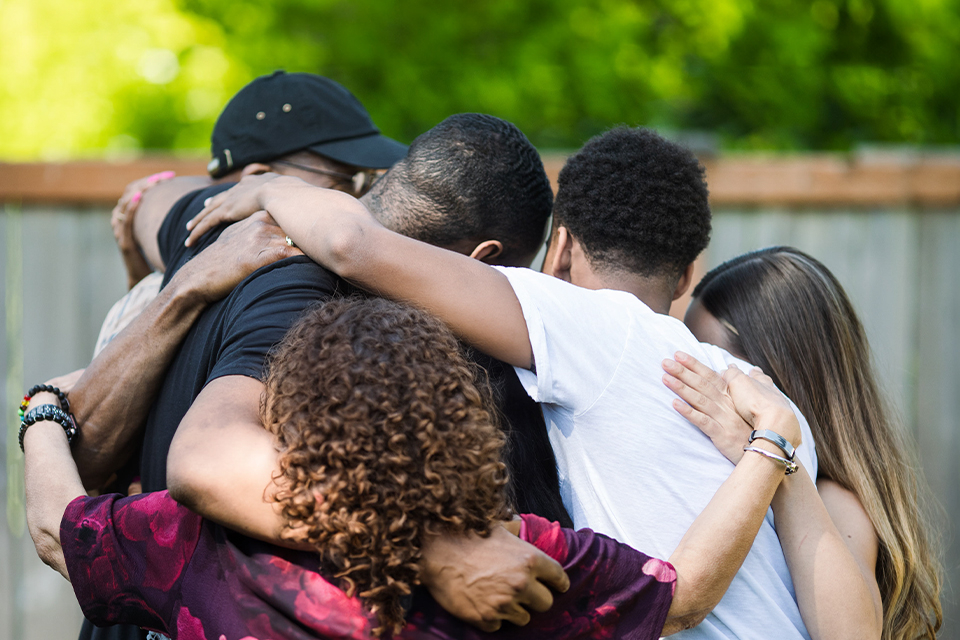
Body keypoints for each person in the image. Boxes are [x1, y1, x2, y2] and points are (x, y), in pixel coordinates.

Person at [185, 126, 820, 638]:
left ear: (560, 249)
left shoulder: (588, 324)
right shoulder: (768, 406)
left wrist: (273, 189)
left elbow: (352, 242)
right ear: (687, 277)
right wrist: (770, 449)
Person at [60, 112, 573, 635]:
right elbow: (206, 461)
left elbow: (157, 202)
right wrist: (432, 544)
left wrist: (161, 193)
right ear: (481, 258)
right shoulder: (313, 307)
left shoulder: (220, 221)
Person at [24, 296, 805, 639]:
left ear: (288, 422)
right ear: (457, 416)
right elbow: (685, 594)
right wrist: (770, 442)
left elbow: (59, 531)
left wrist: (43, 415)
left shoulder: (201, 544)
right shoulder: (515, 559)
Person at [660, 246, 943, 640]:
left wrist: (771, 449)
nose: (705, 381)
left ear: (774, 373)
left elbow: (853, 634)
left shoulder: (835, 496)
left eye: (716, 362)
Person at [95, 70, 408, 355]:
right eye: (349, 181)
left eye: (372, 178)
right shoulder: (284, 298)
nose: (362, 198)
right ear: (260, 178)